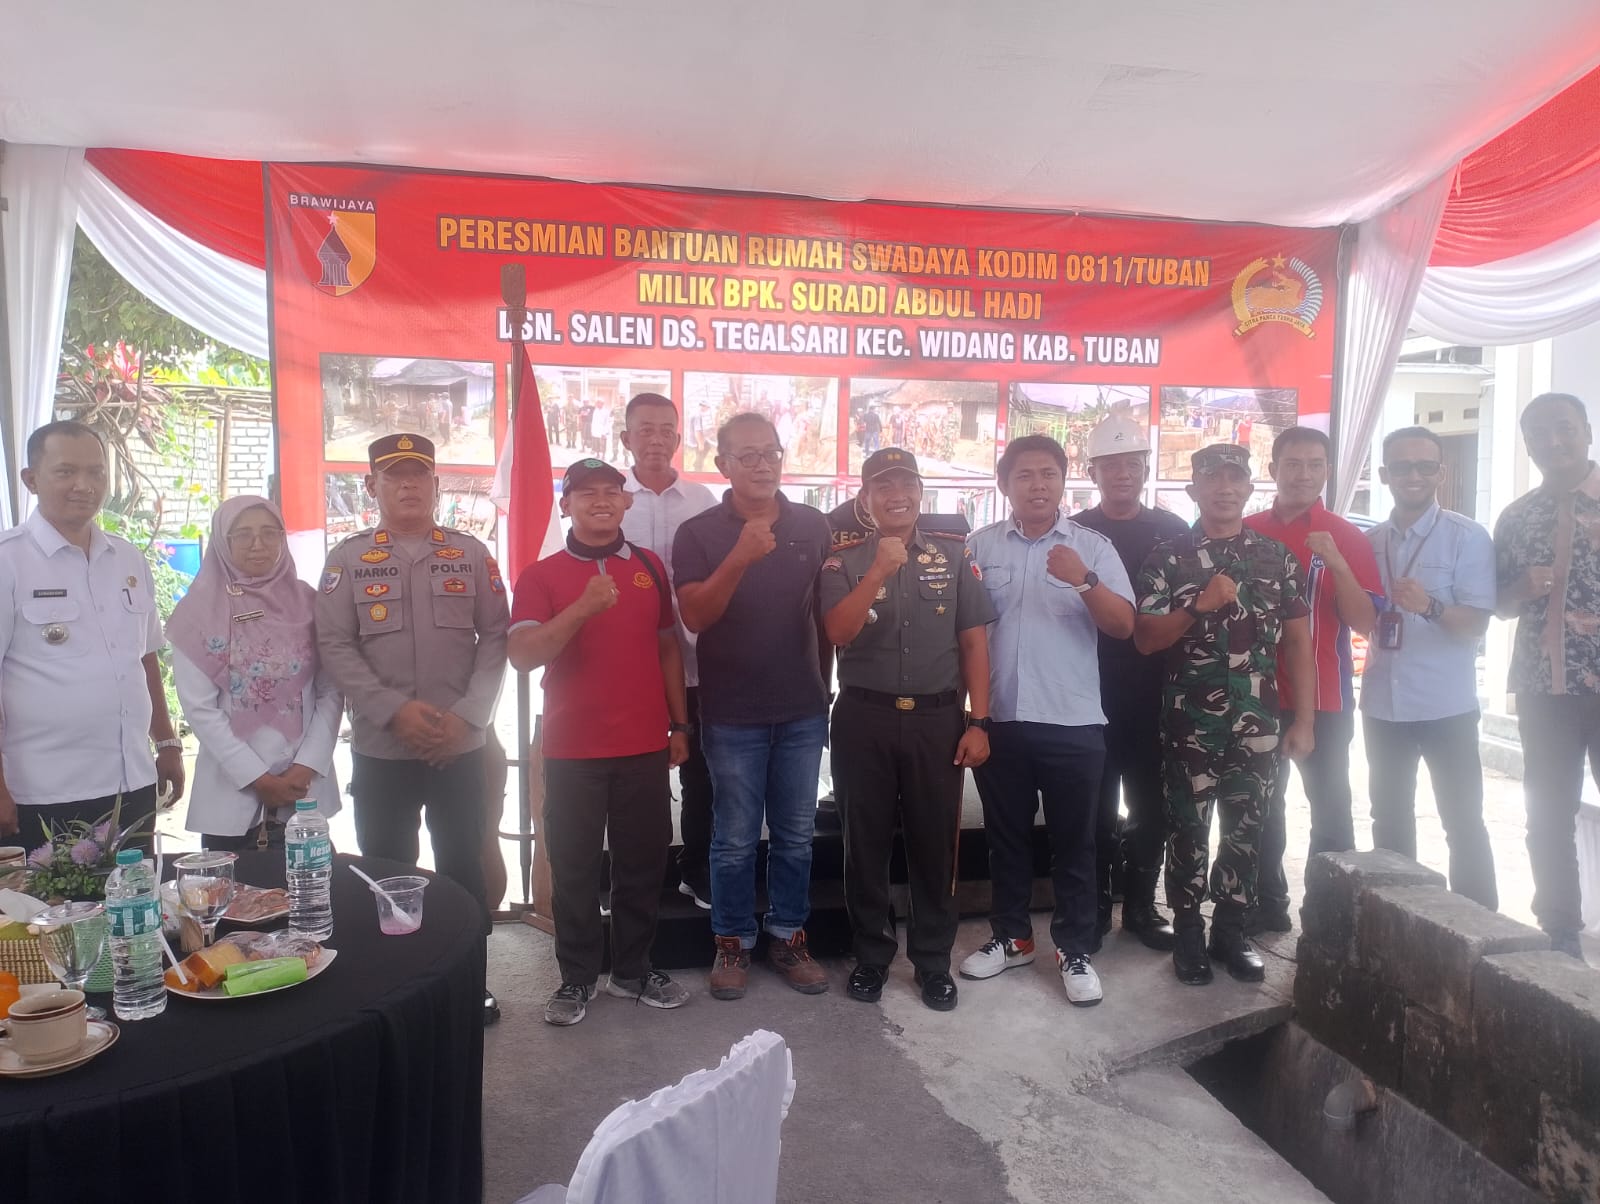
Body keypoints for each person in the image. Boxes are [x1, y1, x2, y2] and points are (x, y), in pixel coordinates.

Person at [316, 433, 508, 1021]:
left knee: (463, 866)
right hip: (383, 747)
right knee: (387, 869)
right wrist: (392, 710)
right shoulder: (347, 559)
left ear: (435, 485)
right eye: (394, 476)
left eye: (418, 475)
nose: (407, 485)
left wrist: (468, 717)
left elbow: (496, 638)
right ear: (371, 486)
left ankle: (469, 982)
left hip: (460, 745)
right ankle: (396, 991)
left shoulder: (471, 554)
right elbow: (334, 645)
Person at [509, 458, 693, 1024]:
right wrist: (583, 608)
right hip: (572, 750)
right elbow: (523, 655)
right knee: (574, 868)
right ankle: (577, 977)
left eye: (611, 490)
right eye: (585, 493)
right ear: (566, 505)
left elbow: (667, 647)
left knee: (642, 865)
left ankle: (633, 971)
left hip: (643, 744)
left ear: (626, 501)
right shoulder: (541, 575)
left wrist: (680, 724)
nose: (601, 500)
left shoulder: (649, 566)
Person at [960, 435, 1135, 1006]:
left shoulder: (1092, 548)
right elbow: (965, 634)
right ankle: (1012, 939)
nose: (1038, 485)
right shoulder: (979, 547)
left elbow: (1123, 627)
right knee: (1005, 839)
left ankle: (1075, 948)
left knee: (1075, 842)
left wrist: (1084, 580)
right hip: (1001, 718)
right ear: (1004, 484)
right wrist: (973, 716)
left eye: (1048, 474)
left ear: (1064, 481)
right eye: (1025, 475)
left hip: (1073, 721)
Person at [1135, 443, 1315, 985]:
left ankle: (1231, 930)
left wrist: (1304, 720)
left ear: (1249, 488)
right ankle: (1188, 929)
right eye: (1213, 479)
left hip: (1257, 722)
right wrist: (1199, 605)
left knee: (1247, 827)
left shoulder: (1277, 558)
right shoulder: (1167, 558)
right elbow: (1146, 639)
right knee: (1187, 827)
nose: (1225, 488)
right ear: (1194, 489)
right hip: (1189, 723)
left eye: (1235, 479)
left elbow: (1298, 644)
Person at [821, 449, 994, 1012]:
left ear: (920, 492)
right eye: (883, 486)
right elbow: (838, 632)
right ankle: (871, 957)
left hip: (936, 721)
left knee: (934, 845)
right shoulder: (842, 562)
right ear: (865, 499)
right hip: (863, 718)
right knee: (864, 844)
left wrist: (979, 721)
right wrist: (878, 570)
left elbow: (973, 643)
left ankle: (933, 961)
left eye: (907, 484)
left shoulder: (955, 555)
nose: (897, 495)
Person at [673, 414, 832, 1001]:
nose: (763, 465)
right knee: (735, 838)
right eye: (748, 456)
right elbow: (695, 617)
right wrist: (740, 555)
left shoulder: (812, 525)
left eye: (771, 453)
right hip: (731, 711)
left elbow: (826, 616)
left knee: (795, 835)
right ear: (723, 465)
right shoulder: (697, 533)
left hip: (801, 709)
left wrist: (823, 691)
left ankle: (788, 936)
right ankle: (733, 941)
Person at [0, 421, 185, 850]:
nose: (84, 485)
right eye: (66, 471)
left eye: (96, 472)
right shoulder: (9, 562)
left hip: (132, 782)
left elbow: (145, 657)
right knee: (50, 897)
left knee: (136, 893)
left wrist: (167, 742)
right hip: (45, 792)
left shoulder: (127, 558)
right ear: (31, 479)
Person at [1244, 426, 1380, 934]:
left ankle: (1331, 922)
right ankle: (1266, 905)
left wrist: (1338, 562)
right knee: (1259, 808)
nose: (1304, 474)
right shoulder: (1246, 529)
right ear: (1273, 468)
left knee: (1330, 810)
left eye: (1315, 464)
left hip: (1323, 698)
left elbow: (1365, 622)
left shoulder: (1345, 535)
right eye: (1293, 464)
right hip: (1253, 694)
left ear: (1327, 471)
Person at [1360, 427, 1497, 908]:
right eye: (1402, 466)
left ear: (1441, 472)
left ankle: (1481, 922)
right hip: (1382, 704)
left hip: (1446, 707)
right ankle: (1399, 923)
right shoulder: (1368, 542)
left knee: (1463, 822)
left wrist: (1429, 606)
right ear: (1385, 475)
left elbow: (1477, 623)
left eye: (1424, 466)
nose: (1413, 475)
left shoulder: (1467, 537)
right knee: (1389, 821)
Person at [1074, 415, 1190, 949]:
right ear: (1092, 472)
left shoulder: (1174, 530)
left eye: (1131, 463)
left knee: (1151, 805)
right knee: (1094, 809)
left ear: (1146, 468)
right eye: (1110, 464)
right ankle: (1096, 907)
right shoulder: (1075, 532)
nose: (1122, 473)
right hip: (1088, 691)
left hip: (1155, 691)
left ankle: (1142, 906)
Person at [171, 496, 343, 850]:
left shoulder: (310, 603)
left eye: (269, 533)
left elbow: (331, 690)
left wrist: (307, 765)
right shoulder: (197, 614)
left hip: (304, 788)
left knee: (311, 883)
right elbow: (200, 708)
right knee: (232, 887)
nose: (258, 544)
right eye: (243, 534)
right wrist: (257, 778)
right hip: (232, 794)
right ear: (222, 540)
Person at [1494, 392, 1600, 961]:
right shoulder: (1517, 517)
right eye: (1539, 433)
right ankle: (1561, 933)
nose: (1554, 442)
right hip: (1545, 688)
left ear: (1587, 430)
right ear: (1528, 444)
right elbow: (1498, 604)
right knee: (1548, 816)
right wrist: (1519, 588)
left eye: (1565, 428)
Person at [618, 393, 718, 908]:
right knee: (636, 778)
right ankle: (639, 879)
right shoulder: (610, 498)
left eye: (665, 431)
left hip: (698, 661)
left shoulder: (704, 501)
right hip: (630, 665)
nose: (656, 439)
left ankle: (696, 868)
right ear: (625, 438)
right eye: (645, 430)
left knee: (703, 773)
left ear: (678, 439)